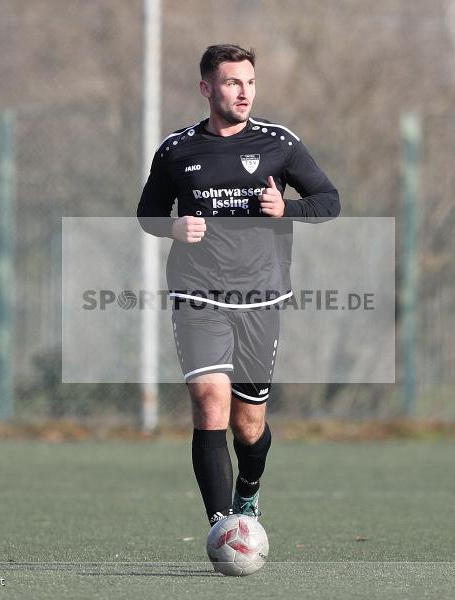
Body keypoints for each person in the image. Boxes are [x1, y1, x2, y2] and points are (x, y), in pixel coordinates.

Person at [137, 44, 340, 527]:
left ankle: (248, 491)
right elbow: (148, 214)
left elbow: (329, 201)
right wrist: (173, 228)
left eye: (250, 82)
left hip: (261, 297)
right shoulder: (176, 149)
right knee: (210, 402)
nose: (244, 92)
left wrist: (287, 209)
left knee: (248, 426)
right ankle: (223, 525)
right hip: (197, 293)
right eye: (232, 82)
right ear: (207, 88)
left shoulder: (280, 144)